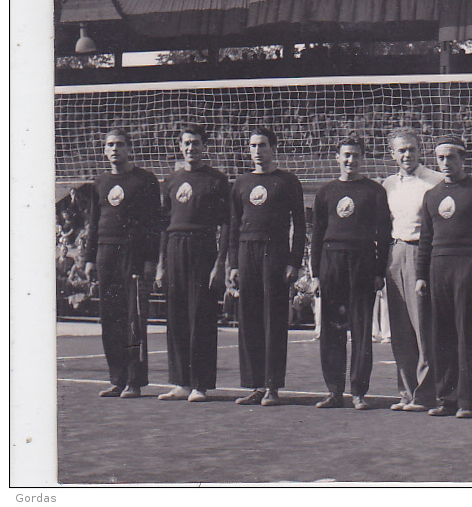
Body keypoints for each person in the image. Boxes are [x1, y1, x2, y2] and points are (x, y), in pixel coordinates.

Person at [416, 136, 472, 419]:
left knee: (466, 336)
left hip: (468, 266)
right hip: (439, 268)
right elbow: (426, 238)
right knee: (442, 336)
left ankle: (467, 401)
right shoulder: (432, 195)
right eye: (441, 158)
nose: (446, 163)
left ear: (464, 159)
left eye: (451, 157)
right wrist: (421, 275)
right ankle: (446, 398)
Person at [311, 137, 392, 410]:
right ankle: (334, 391)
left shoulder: (374, 191)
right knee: (332, 330)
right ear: (337, 158)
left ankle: (358, 391)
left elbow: (383, 233)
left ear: (362, 159)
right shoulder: (325, 192)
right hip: (331, 261)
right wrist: (315, 273)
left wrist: (379, 271)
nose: (350, 161)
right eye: (346, 155)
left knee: (360, 329)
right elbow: (317, 235)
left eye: (355, 156)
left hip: (362, 261)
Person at [228, 126, 307, 406]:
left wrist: (293, 262)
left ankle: (273, 386)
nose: (258, 151)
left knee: (273, 319)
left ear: (273, 148)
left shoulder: (287, 181)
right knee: (248, 319)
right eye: (253, 145)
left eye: (262, 145)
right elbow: (234, 226)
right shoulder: (240, 183)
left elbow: (300, 225)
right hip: (246, 252)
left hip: (274, 252)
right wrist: (233, 264)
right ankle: (255, 385)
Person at [84, 128, 162, 399]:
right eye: (110, 145)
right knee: (110, 318)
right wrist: (89, 259)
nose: (114, 149)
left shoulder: (145, 180)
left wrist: (151, 259)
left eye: (119, 144)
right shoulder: (100, 183)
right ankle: (116, 378)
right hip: (106, 254)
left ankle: (133, 381)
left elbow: (155, 224)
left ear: (129, 148)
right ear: (104, 150)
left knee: (133, 319)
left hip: (134, 254)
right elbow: (94, 223)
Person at [154, 124, 230, 403]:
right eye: (186, 143)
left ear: (204, 146)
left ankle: (200, 383)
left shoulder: (216, 179)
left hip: (202, 248)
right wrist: (162, 264)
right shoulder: (171, 181)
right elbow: (164, 225)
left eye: (196, 143)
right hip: (175, 248)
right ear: (180, 146)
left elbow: (225, 224)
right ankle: (181, 382)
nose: (191, 148)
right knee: (175, 317)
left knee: (201, 316)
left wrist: (219, 263)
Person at [382, 127, 444, 412]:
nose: (407, 154)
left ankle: (425, 394)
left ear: (421, 150)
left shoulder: (435, 181)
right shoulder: (388, 185)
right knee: (400, 327)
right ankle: (406, 392)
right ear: (392, 154)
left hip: (422, 252)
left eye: (412, 149)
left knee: (424, 326)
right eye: (401, 150)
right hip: (396, 252)